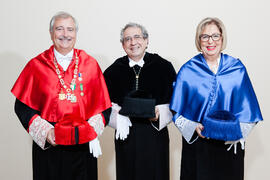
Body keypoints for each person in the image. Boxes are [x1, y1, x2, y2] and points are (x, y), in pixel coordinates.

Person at [11, 11, 111, 180]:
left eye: (70, 30)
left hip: (83, 147)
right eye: (60, 29)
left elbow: (104, 108)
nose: (65, 34)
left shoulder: (90, 64)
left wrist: (90, 131)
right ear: (51, 33)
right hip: (50, 148)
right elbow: (21, 107)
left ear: (76, 34)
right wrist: (47, 132)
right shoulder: (36, 65)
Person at [170, 17, 263, 180]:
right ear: (199, 40)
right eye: (204, 36)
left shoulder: (236, 69)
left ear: (222, 38)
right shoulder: (188, 71)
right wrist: (193, 127)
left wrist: (238, 134)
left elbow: (249, 109)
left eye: (215, 36)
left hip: (229, 145)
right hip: (199, 146)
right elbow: (177, 110)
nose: (210, 41)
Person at [103, 23, 176, 180]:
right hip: (126, 135)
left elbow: (175, 102)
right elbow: (103, 104)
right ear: (123, 45)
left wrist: (160, 114)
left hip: (155, 135)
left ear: (146, 40)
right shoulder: (113, 71)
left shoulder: (164, 67)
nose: (133, 42)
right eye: (127, 39)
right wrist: (118, 118)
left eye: (137, 37)